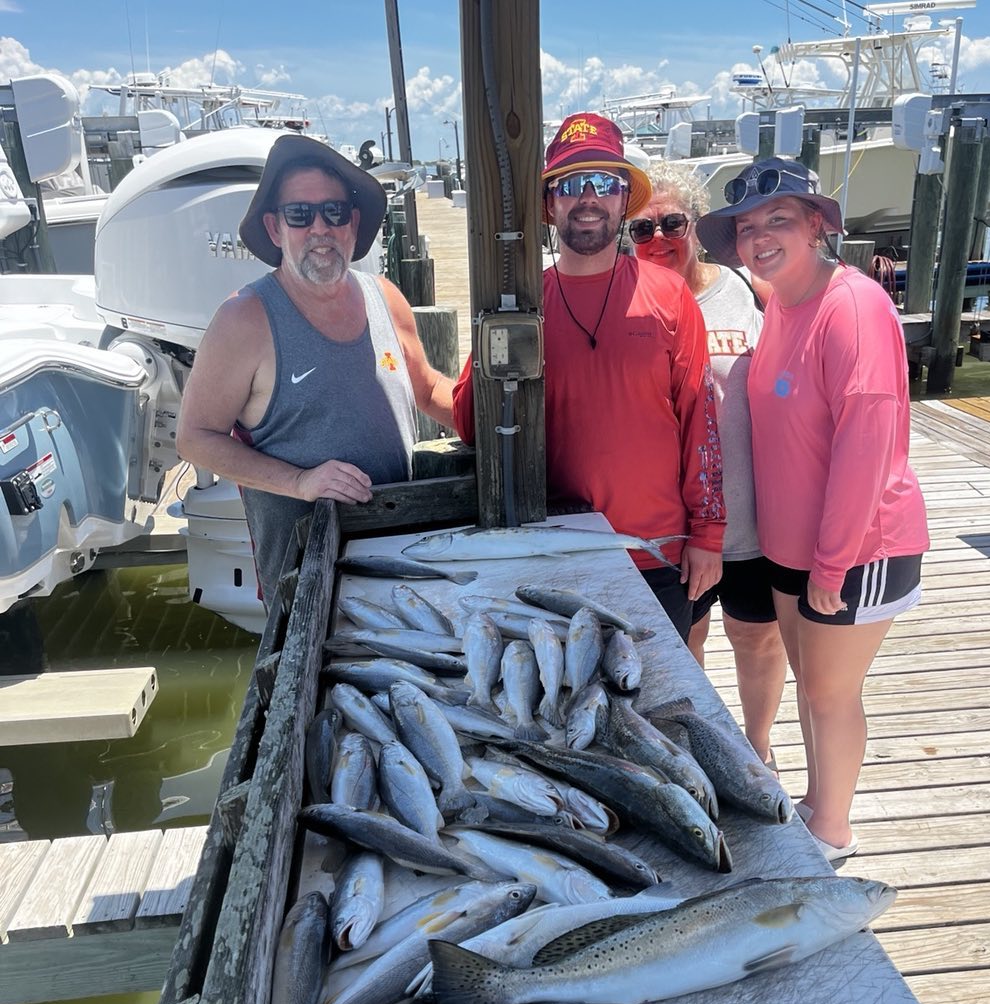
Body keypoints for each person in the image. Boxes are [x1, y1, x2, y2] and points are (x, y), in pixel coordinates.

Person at [697, 158, 929, 863]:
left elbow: (868, 441)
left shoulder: (853, 305)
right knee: (812, 686)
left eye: (779, 220)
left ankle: (832, 828)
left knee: (830, 694)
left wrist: (832, 563)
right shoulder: (779, 307)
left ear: (817, 226)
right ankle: (815, 804)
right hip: (789, 549)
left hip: (858, 549)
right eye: (746, 228)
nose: (760, 237)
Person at [452, 112, 724, 642]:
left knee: (656, 688)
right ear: (550, 204)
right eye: (571, 184)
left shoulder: (670, 295)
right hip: (555, 551)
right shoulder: (525, 302)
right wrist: (493, 327)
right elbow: (469, 421)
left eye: (604, 182)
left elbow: (701, 420)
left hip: (656, 551)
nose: (589, 198)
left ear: (624, 200)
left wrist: (708, 534)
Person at [177, 135, 455, 609]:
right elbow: (194, 438)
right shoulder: (243, 320)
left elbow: (427, 388)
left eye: (334, 212)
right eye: (300, 214)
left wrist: (496, 424)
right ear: (274, 227)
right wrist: (299, 482)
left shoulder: (386, 297)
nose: (320, 228)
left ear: (354, 223)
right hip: (306, 586)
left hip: (401, 559)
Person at [628, 163, 786, 767]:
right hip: (676, 524)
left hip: (752, 513)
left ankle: (759, 751)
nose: (659, 239)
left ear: (695, 224)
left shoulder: (749, 291)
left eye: (672, 223)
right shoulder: (627, 303)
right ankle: (703, 752)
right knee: (685, 639)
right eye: (642, 229)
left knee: (756, 637)